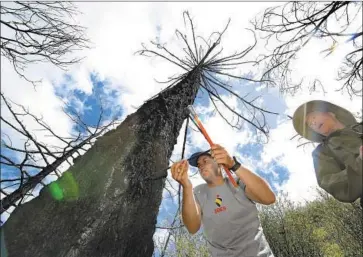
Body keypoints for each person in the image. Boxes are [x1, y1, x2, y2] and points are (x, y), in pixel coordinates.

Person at [171, 144, 276, 257]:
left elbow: (269, 198)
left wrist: (233, 164)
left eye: (205, 161)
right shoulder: (197, 192)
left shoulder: (237, 181)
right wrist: (186, 186)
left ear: (219, 163)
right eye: (198, 165)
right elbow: (192, 227)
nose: (201, 166)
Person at [292, 100, 362, 206]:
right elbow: (331, 183)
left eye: (314, 117)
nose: (313, 123)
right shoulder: (322, 152)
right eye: (310, 125)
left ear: (330, 113)